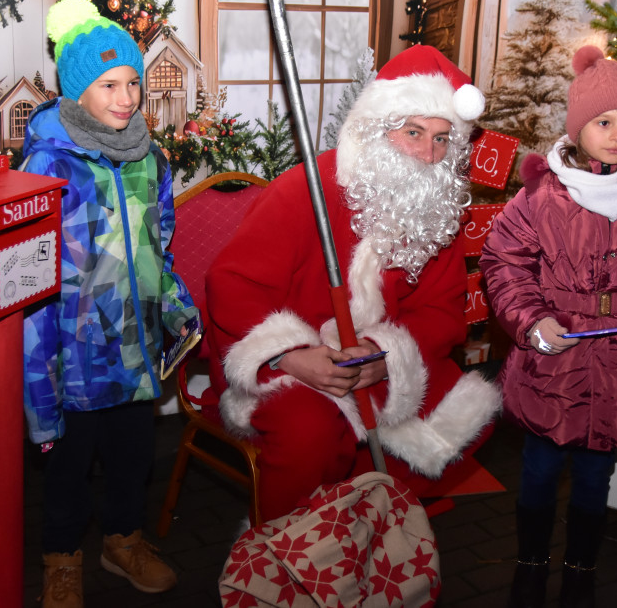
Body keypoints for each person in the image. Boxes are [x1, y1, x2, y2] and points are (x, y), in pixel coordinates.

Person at [205, 45, 503, 522]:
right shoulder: (307, 187)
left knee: (465, 409)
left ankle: (367, 513)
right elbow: (232, 284)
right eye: (413, 133)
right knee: (311, 430)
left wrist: (383, 355)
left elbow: (443, 312)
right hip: (287, 360)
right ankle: (287, 554)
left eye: (443, 139)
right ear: (378, 128)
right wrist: (291, 355)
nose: (429, 155)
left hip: (371, 359)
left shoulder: (434, 207)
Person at [479, 45, 617, 608]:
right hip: (552, 364)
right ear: (578, 127)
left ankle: (581, 568)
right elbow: (504, 263)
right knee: (538, 469)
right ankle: (531, 562)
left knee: (595, 477)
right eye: (604, 122)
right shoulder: (541, 197)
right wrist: (531, 320)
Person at [20, 0, 201, 608]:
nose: (125, 98)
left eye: (133, 83)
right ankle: (62, 560)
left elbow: (160, 245)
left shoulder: (151, 158)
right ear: (76, 90)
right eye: (108, 85)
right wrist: (39, 379)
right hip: (76, 356)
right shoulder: (49, 164)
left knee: (132, 458)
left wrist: (173, 305)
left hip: (136, 348)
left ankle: (122, 542)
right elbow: (32, 278)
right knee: (68, 468)